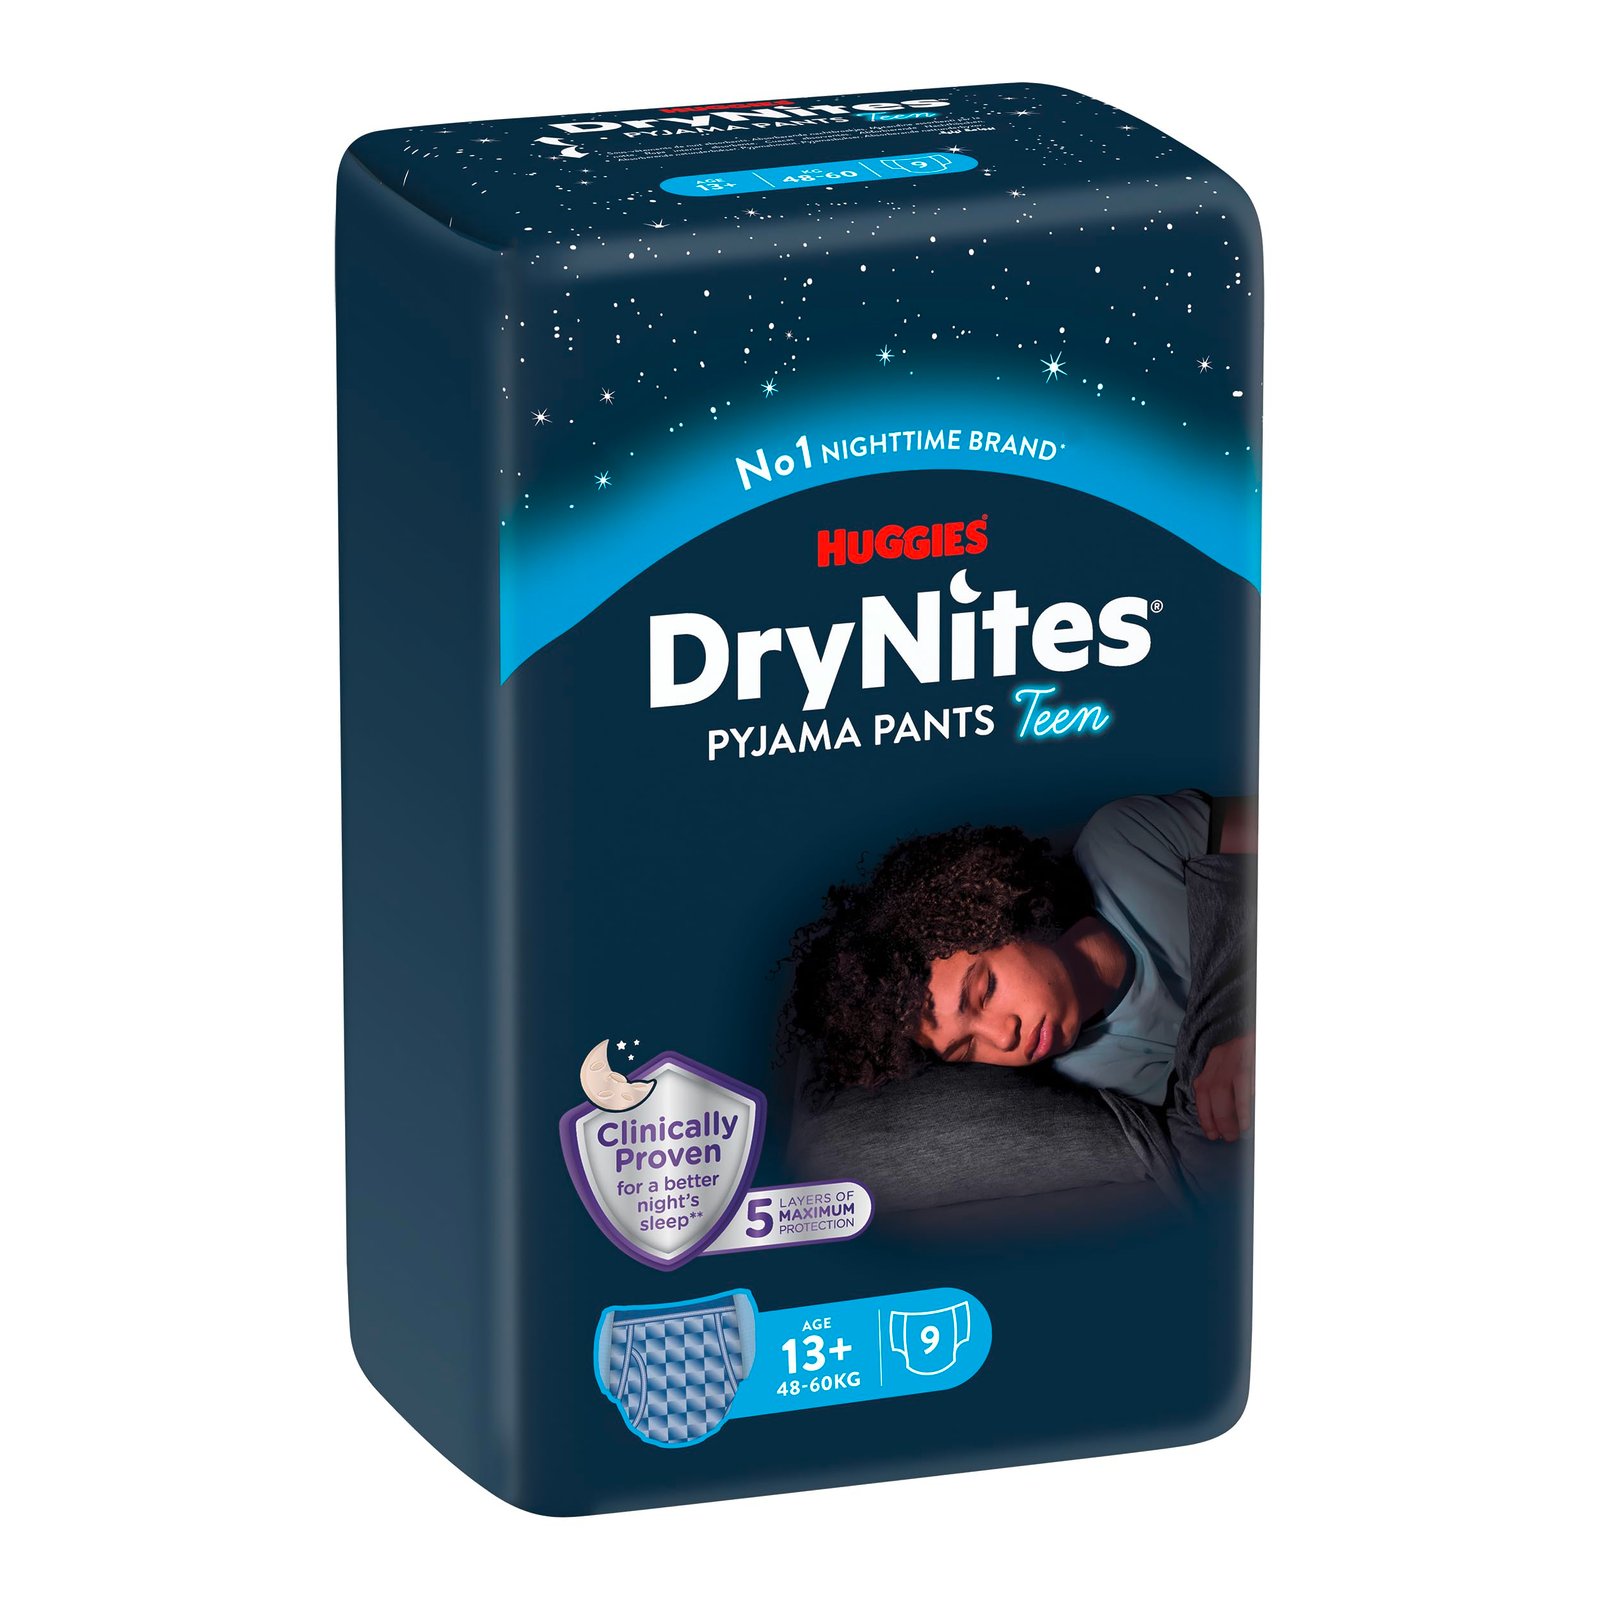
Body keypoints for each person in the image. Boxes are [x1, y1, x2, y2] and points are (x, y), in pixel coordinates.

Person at [787, 789, 1256, 1142]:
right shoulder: (1091, 1087)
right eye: (966, 1049)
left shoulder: (1126, 840)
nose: (1003, 1038)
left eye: (984, 990)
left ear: (1004, 914)